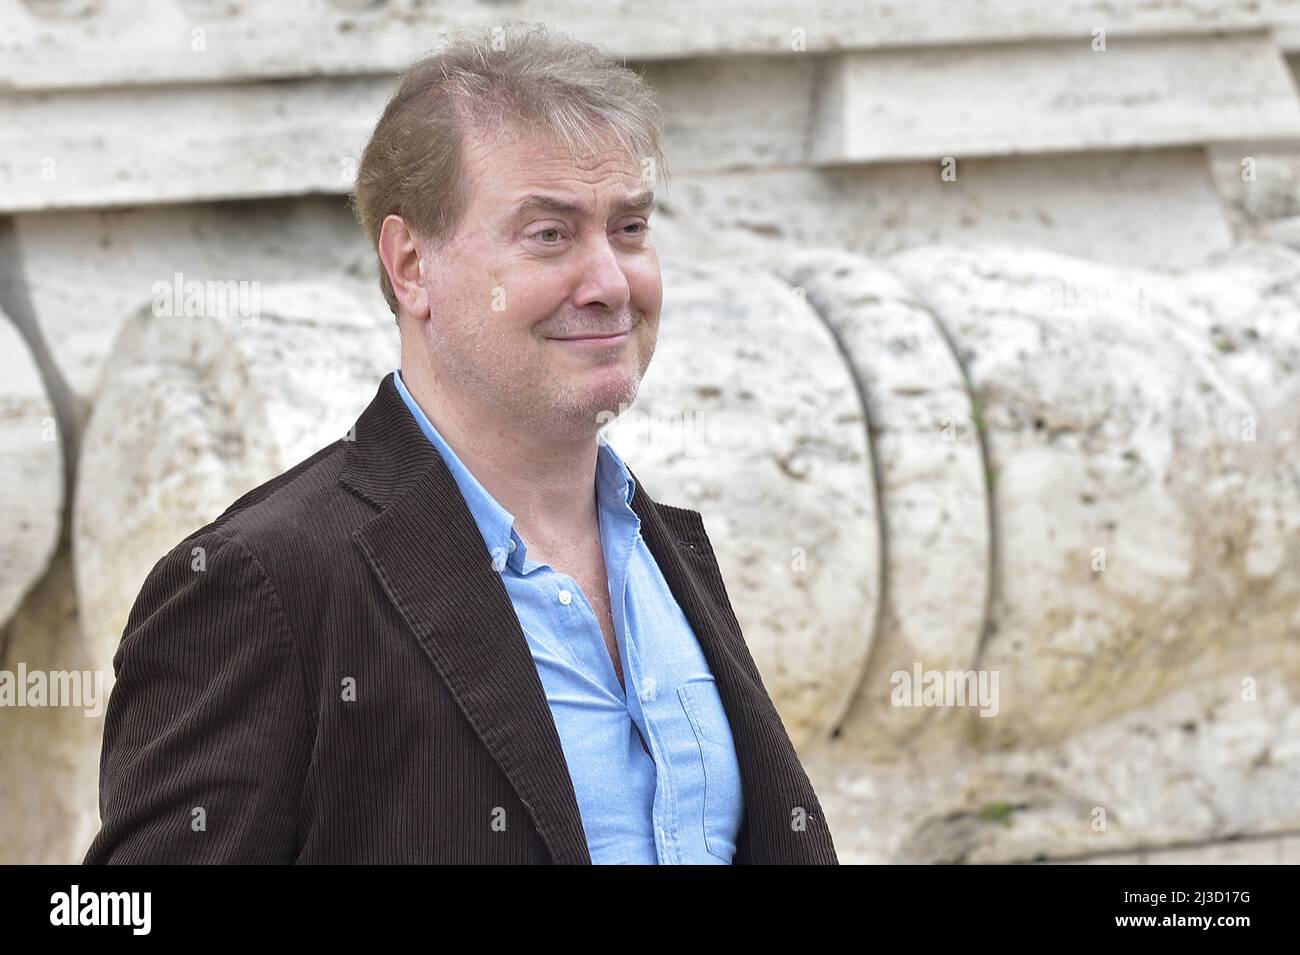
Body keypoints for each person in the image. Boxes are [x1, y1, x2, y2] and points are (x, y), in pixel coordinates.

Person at [84, 20, 837, 865]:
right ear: (410, 266)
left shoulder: (669, 554)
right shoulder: (263, 586)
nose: (609, 282)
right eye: (548, 234)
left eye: (628, 228)